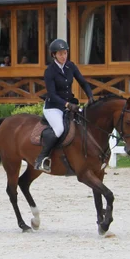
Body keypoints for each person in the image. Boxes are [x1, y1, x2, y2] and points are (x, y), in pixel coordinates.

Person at [36, 38, 95, 172]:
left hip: (70, 104)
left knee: (83, 124)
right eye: (60, 54)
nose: (63, 56)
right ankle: (41, 158)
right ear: (54, 55)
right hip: (53, 107)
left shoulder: (71, 66)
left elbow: (83, 82)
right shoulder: (49, 71)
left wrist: (90, 96)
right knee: (60, 129)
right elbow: (52, 94)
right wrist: (67, 104)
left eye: (65, 53)